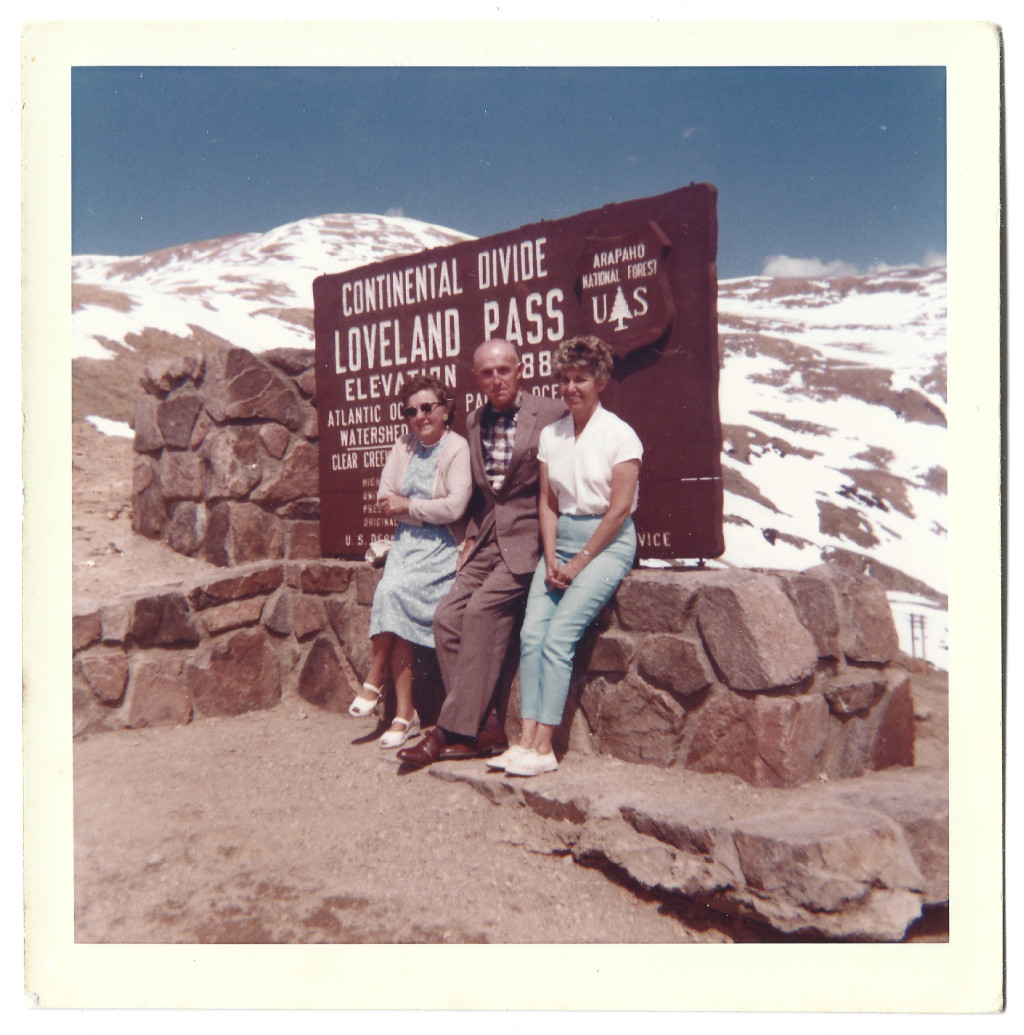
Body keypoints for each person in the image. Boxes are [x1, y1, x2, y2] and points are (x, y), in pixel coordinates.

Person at [397, 339, 567, 768]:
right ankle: (487, 725)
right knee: (446, 617)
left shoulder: (550, 413)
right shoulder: (473, 421)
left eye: (504, 370)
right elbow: (480, 495)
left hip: (529, 541)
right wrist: (471, 536)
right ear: (476, 379)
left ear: (520, 369)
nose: (497, 379)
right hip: (487, 538)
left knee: (480, 613)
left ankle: (446, 730)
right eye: (487, 373)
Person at [488, 336, 643, 777]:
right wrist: (553, 558)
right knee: (532, 635)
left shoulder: (620, 435)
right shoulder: (552, 435)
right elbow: (548, 504)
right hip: (560, 545)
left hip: (606, 545)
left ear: (601, 382)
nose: (571, 387)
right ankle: (524, 744)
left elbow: (618, 511)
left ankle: (544, 748)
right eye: (565, 379)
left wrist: (578, 564)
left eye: (581, 379)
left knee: (558, 639)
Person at [347, 374, 472, 749]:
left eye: (427, 408)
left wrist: (409, 507)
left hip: (443, 547)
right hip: (406, 544)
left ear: (446, 409)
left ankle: (375, 679)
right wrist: (414, 510)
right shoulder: (404, 446)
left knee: (395, 593)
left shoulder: (457, 449)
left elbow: (455, 506)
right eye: (411, 411)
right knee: (390, 592)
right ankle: (404, 714)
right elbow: (385, 498)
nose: (419, 416)